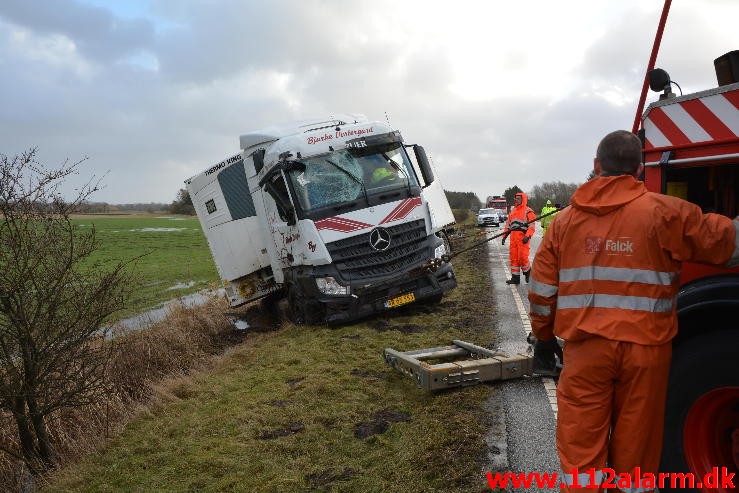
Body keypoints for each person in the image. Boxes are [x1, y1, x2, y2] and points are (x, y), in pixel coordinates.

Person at [527, 130, 739, 492]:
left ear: (596, 166)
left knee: (581, 452)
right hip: (646, 352)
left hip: (586, 350)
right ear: (640, 170)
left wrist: (545, 341)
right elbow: (727, 244)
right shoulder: (667, 213)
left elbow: (542, 292)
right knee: (637, 450)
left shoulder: (563, 223)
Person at [502, 192, 536, 284]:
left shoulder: (528, 211)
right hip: (513, 239)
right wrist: (504, 236)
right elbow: (508, 225)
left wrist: (527, 236)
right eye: (515, 198)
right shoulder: (513, 211)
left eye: (518, 198)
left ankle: (528, 273)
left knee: (522, 258)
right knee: (514, 258)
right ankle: (515, 278)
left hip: (523, 239)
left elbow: (532, 226)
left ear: (523, 199)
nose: (515, 200)